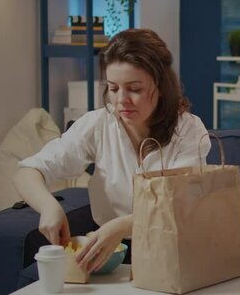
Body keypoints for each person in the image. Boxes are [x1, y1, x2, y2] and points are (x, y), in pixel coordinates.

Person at [13, 28, 211, 274]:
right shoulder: (98, 125)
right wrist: (48, 206)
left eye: (135, 89)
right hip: (112, 260)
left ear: (161, 86)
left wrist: (120, 227)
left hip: (176, 255)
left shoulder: (188, 130)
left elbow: (179, 207)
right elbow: (28, 171)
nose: (121, 101)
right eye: (114, 88)